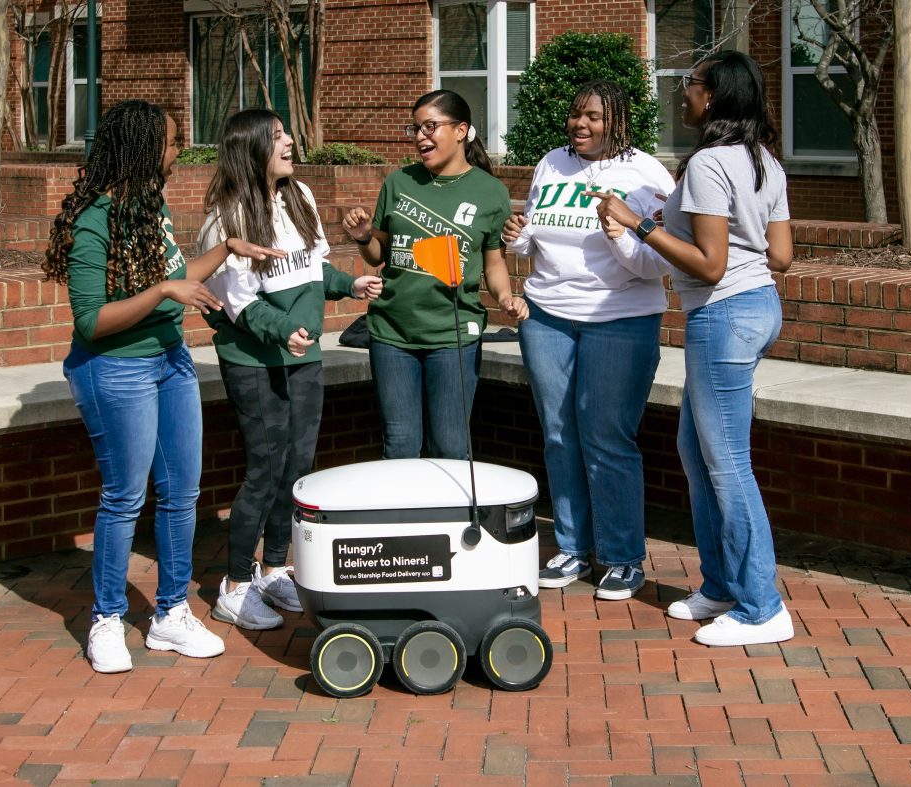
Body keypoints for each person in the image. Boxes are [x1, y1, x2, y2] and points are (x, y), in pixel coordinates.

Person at [44, 100, 283, 673]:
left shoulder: (147, 210)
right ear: (145, 149)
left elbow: (175, 277)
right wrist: (162, 294)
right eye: (174, 143)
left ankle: (170, 615)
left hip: (169, 362)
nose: (179, 154)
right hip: (115, 368)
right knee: (124, 496)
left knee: (182, 494)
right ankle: (106, 619)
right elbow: (91, 322)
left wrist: (227, 250)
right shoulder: (94, 221)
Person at [597, 51, 794, 646]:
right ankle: (722, 585)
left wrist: (639, 223)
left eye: (690, 84)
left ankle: (763, 607)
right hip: (758, 309)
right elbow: (780, 256)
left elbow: (709, 267)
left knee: (728, 463)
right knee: (696, 449)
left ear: (714, 97)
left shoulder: (709, 162)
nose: (682, 93)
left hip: (723, 315)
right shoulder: (764, 162)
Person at [199, 109, 383, 630]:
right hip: (255, 361)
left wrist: (350, 286)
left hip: (305, 357)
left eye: (286, 133)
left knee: (297, 465)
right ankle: (234, 585)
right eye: (277, 136)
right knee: (265, 468)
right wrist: (281, 329)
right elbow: (238, 301)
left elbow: (311, 268)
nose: (289, 141)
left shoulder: (300, 197)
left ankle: (275, 566)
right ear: (251, 148)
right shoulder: (226, 216)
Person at [501, 80, 675, 601]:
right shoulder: (551, 163)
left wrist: (621, 235)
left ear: (618, 120)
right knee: (559, 434)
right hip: (547, 316)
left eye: (594, 117)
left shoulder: (645, 173)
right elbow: (539, 236)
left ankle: (621, 556)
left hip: (619, 318)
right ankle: (574, 547)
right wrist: (520, 236)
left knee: (606, 437)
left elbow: (659, 262)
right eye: (576, 115)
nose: (581, 125)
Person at [342, 90, 528, 459]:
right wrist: (363, 236)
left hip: (453, 335)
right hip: (392, 332)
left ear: (461, 130)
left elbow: (493, 261)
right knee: (400, 444)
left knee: (450, 445)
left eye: (431, 126)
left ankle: (452, 518)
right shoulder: (398, 182)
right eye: (416, 128)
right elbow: (380, 253)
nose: (420, 137)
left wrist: (505, 297)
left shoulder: (490, 192)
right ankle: (403, 516)